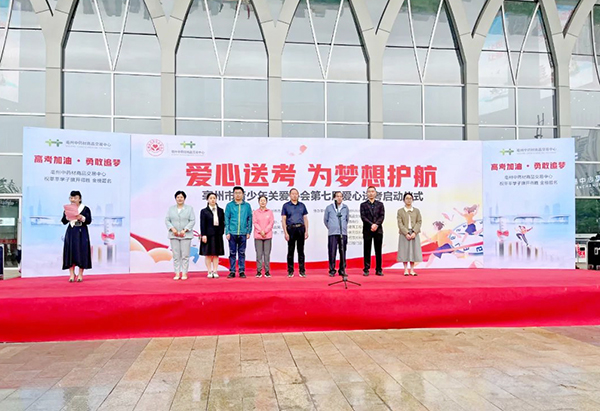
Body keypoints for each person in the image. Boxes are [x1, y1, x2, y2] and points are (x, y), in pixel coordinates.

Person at [62, 190, 92, 282]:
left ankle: (80, 274)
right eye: (71, 198)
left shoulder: (85, 209)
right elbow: (63, 221)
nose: (73, 200)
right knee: (70, 252)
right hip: (71, 232)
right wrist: (67, 217)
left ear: (80, 199)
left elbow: (89, 221)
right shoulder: (67, 209)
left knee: (82, 251)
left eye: (75, 198)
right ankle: (71, 274)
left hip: (81, 232)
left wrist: (81, 217)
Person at [165, 190, 196, 280]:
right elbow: (167, 220)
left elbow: (192, 220)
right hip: (174, 235)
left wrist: (185, 230)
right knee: (176, 255)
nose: (180, 199)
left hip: (186, 235)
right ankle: (177, 273)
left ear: (184, 198)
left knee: (185, 255)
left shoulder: (189, 209)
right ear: (175, 198)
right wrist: (172, 229)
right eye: (178, 197)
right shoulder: (171, 209)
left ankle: (184, 273)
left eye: (181, 197)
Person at [225, 186, 252, 278]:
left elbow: (249, 219)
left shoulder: (247, 206)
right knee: (232, 253)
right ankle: (232, 271)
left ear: (243, 194)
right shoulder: (229, 205)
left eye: (239, 193)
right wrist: (227, 232)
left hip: (243, 233)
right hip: (232, 232)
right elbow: (226, 219)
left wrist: (248, 231)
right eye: (236, 193)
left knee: (242, 253)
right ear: (233, 194)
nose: (238, 195)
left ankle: (241, 271)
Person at [282, 188, 309, 277]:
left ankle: (302, 271)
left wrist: (306, 231)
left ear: (298, 195)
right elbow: (283, 220)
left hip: (301, 228)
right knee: (290, 251)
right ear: (290, 195)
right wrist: (285, 232)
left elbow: (305, 218)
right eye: (292, 194)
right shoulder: (286, 206)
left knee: (301, 251)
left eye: (296, 194)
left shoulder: (302, 205)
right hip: (291, 229)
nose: (294, 195)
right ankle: (290, 271)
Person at [360, 186, 385, 276]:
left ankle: (379, 269)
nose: (371, 193)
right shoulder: (363, 205)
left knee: (378, 250)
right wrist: (371, 225)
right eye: (369, 191)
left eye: (372, 191)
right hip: (367, 230)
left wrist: (376, 225)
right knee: (367, 250)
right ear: (367, 193)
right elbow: (363, 217)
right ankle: (366, 269)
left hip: (378, 230)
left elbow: (382, 216)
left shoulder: (380, 204)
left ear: (375, 193)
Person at [199, 192, 225, 278]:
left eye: (214, 198)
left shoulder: (220, 210)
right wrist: (203, 235)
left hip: (217, 234)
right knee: (208, 254)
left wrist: (222, 232)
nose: (213, 200)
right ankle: (209, 271)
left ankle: (215, 271)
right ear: (207, 200)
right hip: (208, 235)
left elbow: (223, 223)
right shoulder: (204, 211)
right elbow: (202, 224)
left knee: (216, 254)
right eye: (211, 198)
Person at [324, 191, 349, 277]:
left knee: (343, 252)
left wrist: (342, 227)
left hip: (343, 233)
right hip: (332, 233)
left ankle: (342, 270)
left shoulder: (345, 208)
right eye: (337, 196)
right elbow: (326, 220)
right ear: (334, 198)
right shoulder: (329, 208)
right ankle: (332, 270)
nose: (339, 198)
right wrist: (332, 227)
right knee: (332, 251)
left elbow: (347, 219)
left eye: (340, 196)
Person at [397, 192, 423, 276]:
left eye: (410, 198)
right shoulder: (400, 211)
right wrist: (406, 233)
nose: (408, 200)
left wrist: (415, 232)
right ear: (404, 200)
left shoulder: (416, 211)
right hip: (404, 234)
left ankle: (412, 270)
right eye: (407, 198)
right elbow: (400, 223)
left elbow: (419, 222)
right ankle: (405, 270)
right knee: (404, 251)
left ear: (412, 200)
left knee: (413, 251)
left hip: (414, 233)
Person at [253, 195, 274, 278]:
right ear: (258, 202)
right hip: (258, 236)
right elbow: (255, 223)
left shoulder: (270, 212)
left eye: (264, 201)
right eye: (261, 200)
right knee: (259, 254)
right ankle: (258, 271)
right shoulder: (255, 212)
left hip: (267, 236)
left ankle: (267, 271)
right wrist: (260, 231)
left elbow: (271, 223)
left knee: (267, 254)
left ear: (266, 202)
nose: (262, 202)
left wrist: (265, 231)